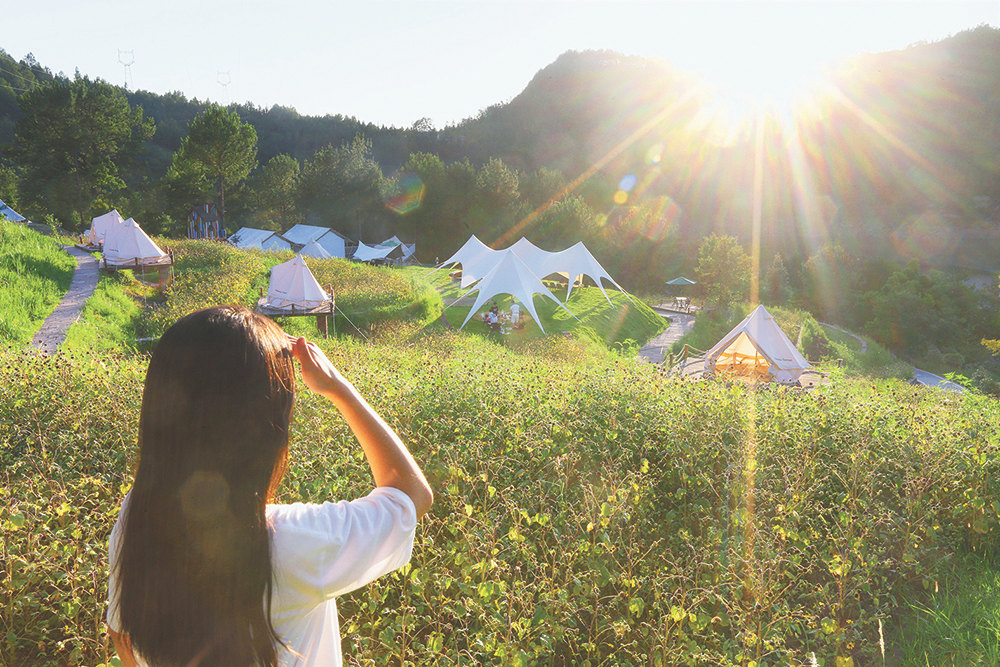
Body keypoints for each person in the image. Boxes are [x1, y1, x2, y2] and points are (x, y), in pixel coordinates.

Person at [105, 305, 433, 667]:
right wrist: (340, 389)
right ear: (270, 427)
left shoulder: (140, 511)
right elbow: (411, 494)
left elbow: (122, 637)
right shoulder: (295, 541)